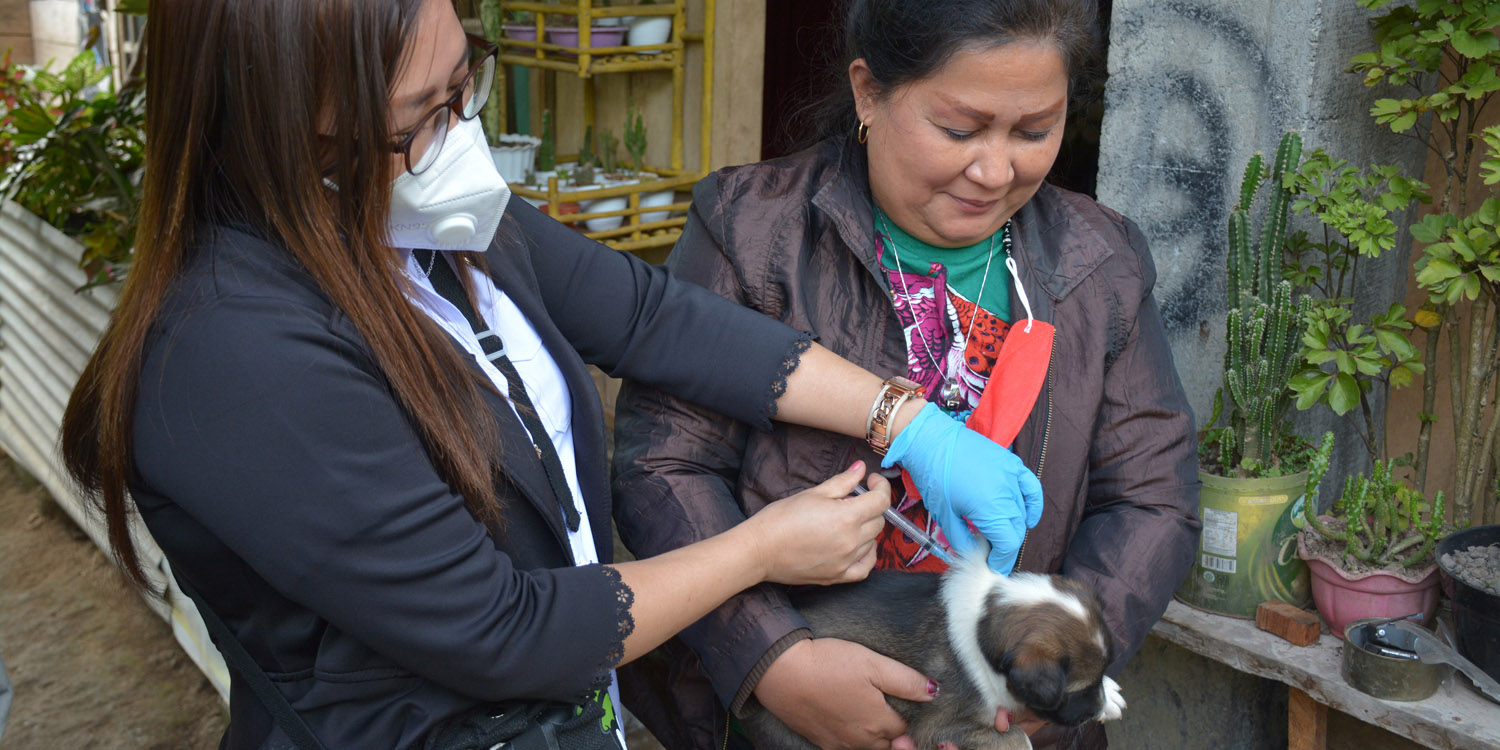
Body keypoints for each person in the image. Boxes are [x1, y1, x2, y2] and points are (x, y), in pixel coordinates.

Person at [58, 1, 1045, 748]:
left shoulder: (435, 219)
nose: (459, 141)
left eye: (462, 86)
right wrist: (761, 550)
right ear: (281, 136)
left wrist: (904, 421)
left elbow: (652, 317)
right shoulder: (237, 357)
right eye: (419, 118)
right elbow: (501, 627)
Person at [611, 1, 1203, 748]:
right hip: (793, 719)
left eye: (1034, 131)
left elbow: (1152, 498)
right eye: (959, 130)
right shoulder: (752, 232)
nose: (996, 169)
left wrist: (1042, 669)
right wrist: (774, 659)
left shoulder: (1100, 262)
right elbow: (664, 466)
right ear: (868, 92)